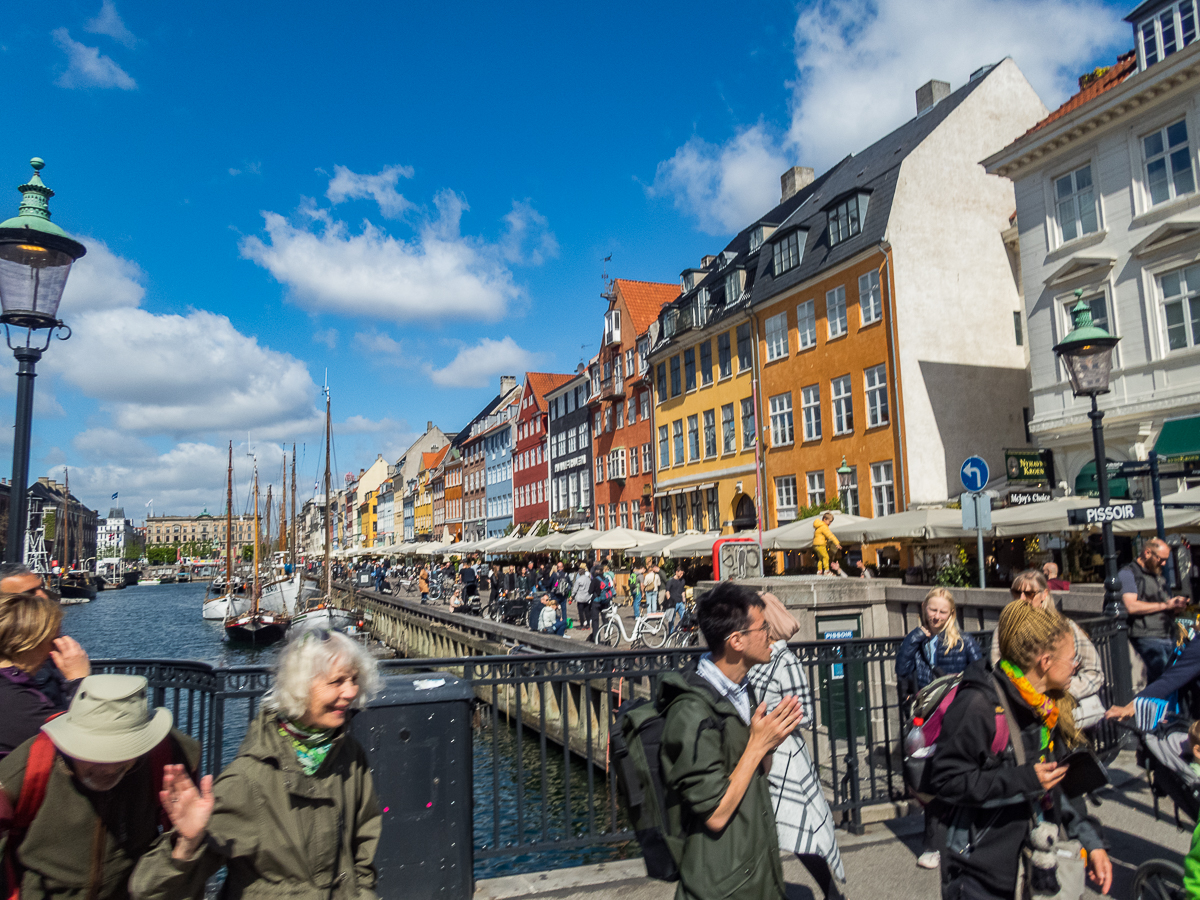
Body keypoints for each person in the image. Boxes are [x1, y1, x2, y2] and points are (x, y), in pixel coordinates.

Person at [130, 629, 383, 900]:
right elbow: (148, 890)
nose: (351, 691)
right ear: (301, 686)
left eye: (354, 679)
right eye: (337, 682)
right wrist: (186, 844)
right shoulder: (249, 779)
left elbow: (362, 846)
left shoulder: (348, 754)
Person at [927, 601, 1111, 900]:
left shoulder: (1048, 705)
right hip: (981, 873)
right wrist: (1023, 780)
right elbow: (946, 780)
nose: (1076, 664)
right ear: (1046, 661)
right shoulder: (978, 704)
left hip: (1036, 865)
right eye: (1072, 657)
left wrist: (1092, 841)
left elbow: (1060, 787)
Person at [658, 581, 802, 900]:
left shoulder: (741, 688)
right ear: (736, 640)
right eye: (763, 628)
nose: (771, 636)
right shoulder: (690, 712)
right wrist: (757, 745)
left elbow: (759, 769)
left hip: (755, 871)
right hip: (721, 886)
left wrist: (770, 738)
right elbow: (716, 813)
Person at [0, 674, 200, 900]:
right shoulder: (30, 767)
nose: (109, 769)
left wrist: (187, 842)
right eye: (95, 754)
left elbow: (180, 875)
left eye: (125, 754)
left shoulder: (169, 758)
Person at [747, 593, 846, 900]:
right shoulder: (758, 656)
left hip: (784, 757)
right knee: (772, 829)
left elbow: (807, 712)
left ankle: (831, 892)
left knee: (800, 829)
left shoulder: (785, 659)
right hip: (761, 751)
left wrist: (773, 720)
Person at [895, 587, 984, 869]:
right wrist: (916, 637)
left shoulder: (965, 641)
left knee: (960, 775)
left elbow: (980, 675)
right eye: (932, 609)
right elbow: (901, 668)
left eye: (942, 611)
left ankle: (966, 839)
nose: (936, 616)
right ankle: (932, 845)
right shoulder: (917, 641)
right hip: (926, 717)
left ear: (951, 613)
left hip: (955, 717)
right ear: (924, 608)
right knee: (929, 781)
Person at [990, 570, 1105, 728]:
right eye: (1016, 592)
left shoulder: (1066, 627)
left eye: (1029, 593)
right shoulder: (1005, 630)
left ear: (1044, 594)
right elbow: (998, 667)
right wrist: (1030, 696)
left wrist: (1062, 693)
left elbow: (1094, 672)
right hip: (1021, 713)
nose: (1022, 598)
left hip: (1063, 716)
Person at [0, 590, 91, 758]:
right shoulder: (20, 703)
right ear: (29, 643)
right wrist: (79, 681)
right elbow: (84, 744)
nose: (55, 648)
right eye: (54, 639)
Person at [1121, 538, 1189, 683]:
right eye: (1161, 559)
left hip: (1167, 635)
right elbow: (1131, 606)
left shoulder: (1157, 576)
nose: (1164, 564)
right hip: (1148, 637)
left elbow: (1163, 605)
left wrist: (1176, 606)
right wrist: (1166, 605)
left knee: (1173, 680)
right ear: (1147, 553)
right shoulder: (1128, 574)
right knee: (1166, 681)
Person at [572, 563, 593, 639]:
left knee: (581, 612)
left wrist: (572, 596)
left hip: (580, 598)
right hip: (587, 597)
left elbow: (575, 589)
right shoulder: (588, 579)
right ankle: (587, 624)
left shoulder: (579, 580)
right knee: (587, 611)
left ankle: (581, 625)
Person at [665, 569, 687, 635]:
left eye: (682, 574)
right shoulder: (670, 581)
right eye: (680, 573)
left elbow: (682, 590)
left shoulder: (682, 581)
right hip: (673, 603)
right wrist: (669, 601)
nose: (681, 575)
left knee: (684, 618)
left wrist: (684, 598)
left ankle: (682, 632)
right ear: (676, 572)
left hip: (680, 602)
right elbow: (667, 592)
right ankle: (671, 634)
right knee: (671, 620)